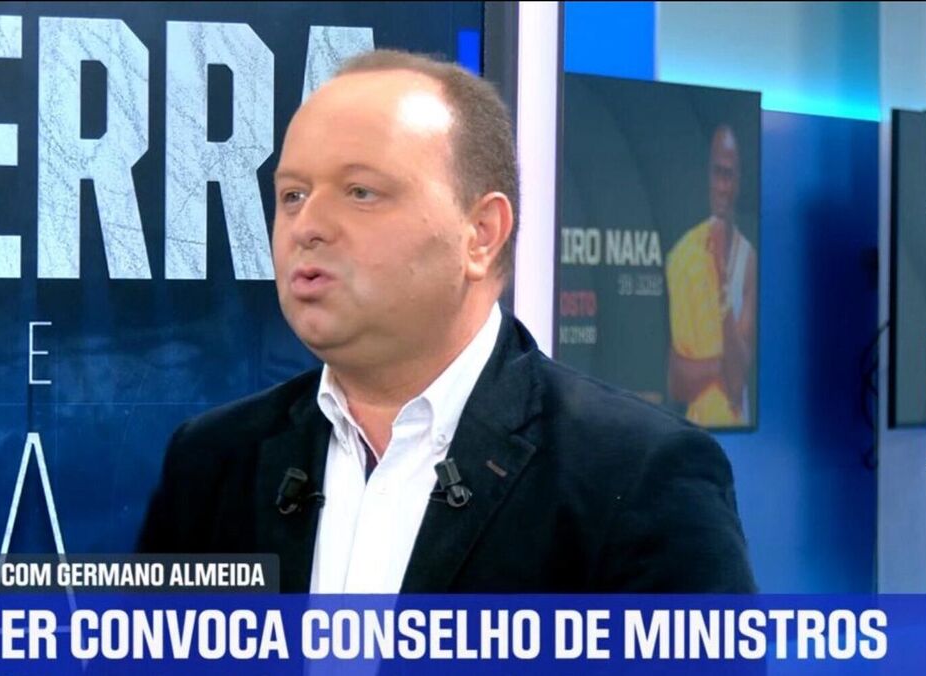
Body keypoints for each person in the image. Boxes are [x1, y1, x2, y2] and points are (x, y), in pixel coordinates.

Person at [138, 50, 755, 593]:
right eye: (292, 195)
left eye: (360, 192)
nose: (308, 226)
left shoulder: (637, 474)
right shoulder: (211, 462)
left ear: (480, 234)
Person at [665, 125, 757, 428]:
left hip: (737, 429)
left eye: (729, 176)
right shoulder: (683, 255)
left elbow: (737, 382)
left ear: (739, 181)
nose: (722, 187)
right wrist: (721, 366)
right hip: (692, 428)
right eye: (717, 173)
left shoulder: (748, 260)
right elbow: (677, 381)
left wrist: (721, 285)